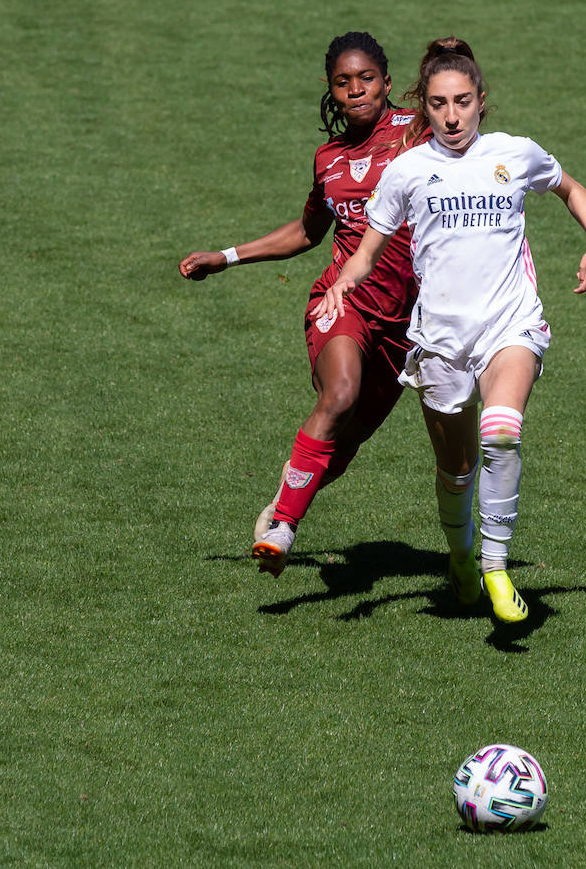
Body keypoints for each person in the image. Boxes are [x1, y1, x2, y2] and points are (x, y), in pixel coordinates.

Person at [313, 37, 586, 622]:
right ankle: (462, 555)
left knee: (503, 430)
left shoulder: (514, 153)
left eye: (464, 101)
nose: (452, 115)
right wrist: (341, 285)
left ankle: (497, 568)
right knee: (456, 468)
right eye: (440, 103)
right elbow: (367, 251)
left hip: (509, 324)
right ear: (424, 106)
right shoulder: (407, 170)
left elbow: (569, 187)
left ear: (481, 102)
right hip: (441, 340)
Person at [180, 32, 426, 577]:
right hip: (343, 302)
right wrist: (227, 256)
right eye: (344, 82)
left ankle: (284, 499)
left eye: (367, 78)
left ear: (387, 82)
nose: (356, 90)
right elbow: (308, 230)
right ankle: (285, 527)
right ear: (330, 91)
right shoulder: (328, 158)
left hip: (407, 326)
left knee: (346, 441)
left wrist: (455, 59)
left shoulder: (418, 133)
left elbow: (463, 106)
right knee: (339, 394)